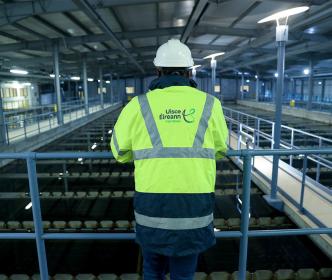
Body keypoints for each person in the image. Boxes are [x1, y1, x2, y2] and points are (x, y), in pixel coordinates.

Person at [110, 39, 228, 280]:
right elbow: (220, 149)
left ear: (157, 71)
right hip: (194, 207)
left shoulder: (138, 105)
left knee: (152, 269)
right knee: (184, 274)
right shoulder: (210, 104)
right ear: (189, 71)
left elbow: (120, 153)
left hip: (152, 206)